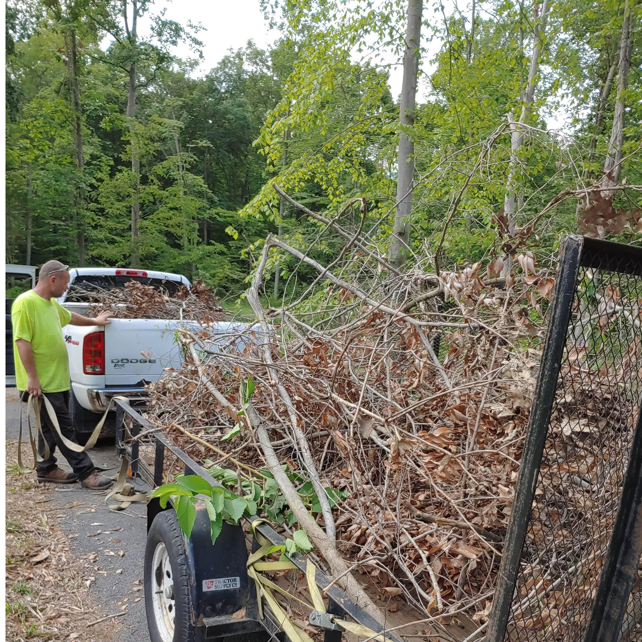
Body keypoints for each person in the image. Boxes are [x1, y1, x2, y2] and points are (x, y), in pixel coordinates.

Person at [12, 260, 114, 489]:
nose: (66, 288)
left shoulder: (50, 304)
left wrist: (94, 322)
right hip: (42, 384)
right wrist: (32, 377)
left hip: (56, 381)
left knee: (49, 429)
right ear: (52, 280)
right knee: (65, 430)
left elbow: (70, 317)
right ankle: (86, 473)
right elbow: (22, 342)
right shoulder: (25, 303)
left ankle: (46, 469)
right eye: (65, 283)